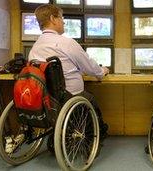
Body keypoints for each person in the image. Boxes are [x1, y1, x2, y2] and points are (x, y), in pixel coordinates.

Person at [28, 4, 109, 141]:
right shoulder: (66, 43)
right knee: (90, 99)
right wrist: (102, 71)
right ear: (53, 19)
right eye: (61, 17)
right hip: (69, 96)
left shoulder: (35, 47)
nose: (63, 21)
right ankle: (97, 135)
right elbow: (90, 67)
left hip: (46, 98)